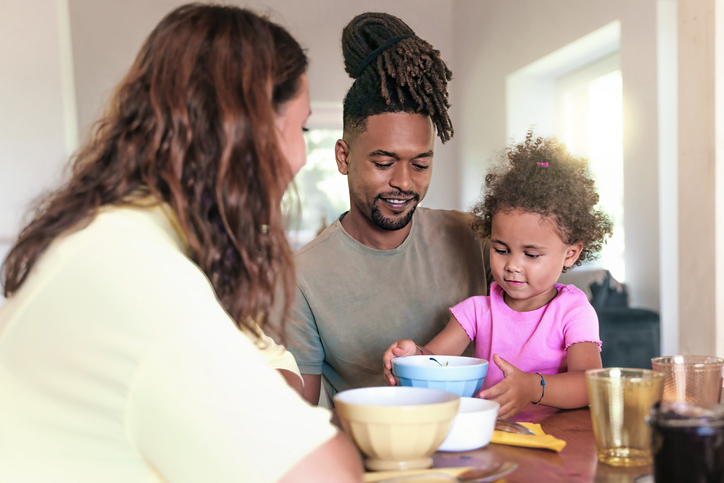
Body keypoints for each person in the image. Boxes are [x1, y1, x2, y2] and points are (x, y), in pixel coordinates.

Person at [0, 5, 362, 482]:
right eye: (301, 129)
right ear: (250, 134)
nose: (299, 156)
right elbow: (328, 476)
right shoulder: (139, 275)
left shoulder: (108, 238)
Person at [285, 12, 491, 406]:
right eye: (384, 163)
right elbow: (304, 423)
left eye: (421, 164)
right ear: (343, 157)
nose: (404, 182)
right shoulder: (302, 278)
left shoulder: (476, 239)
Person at [383, 132, 613, 420]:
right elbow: (433, 360)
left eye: (531, 255)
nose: (512, 265)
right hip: (494, 439)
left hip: (555, 442)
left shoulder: (572, 311)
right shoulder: (478, 311)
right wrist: (410, 357)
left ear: (570, 254)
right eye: (501, 249)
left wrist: (533, 387)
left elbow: (590, 383)